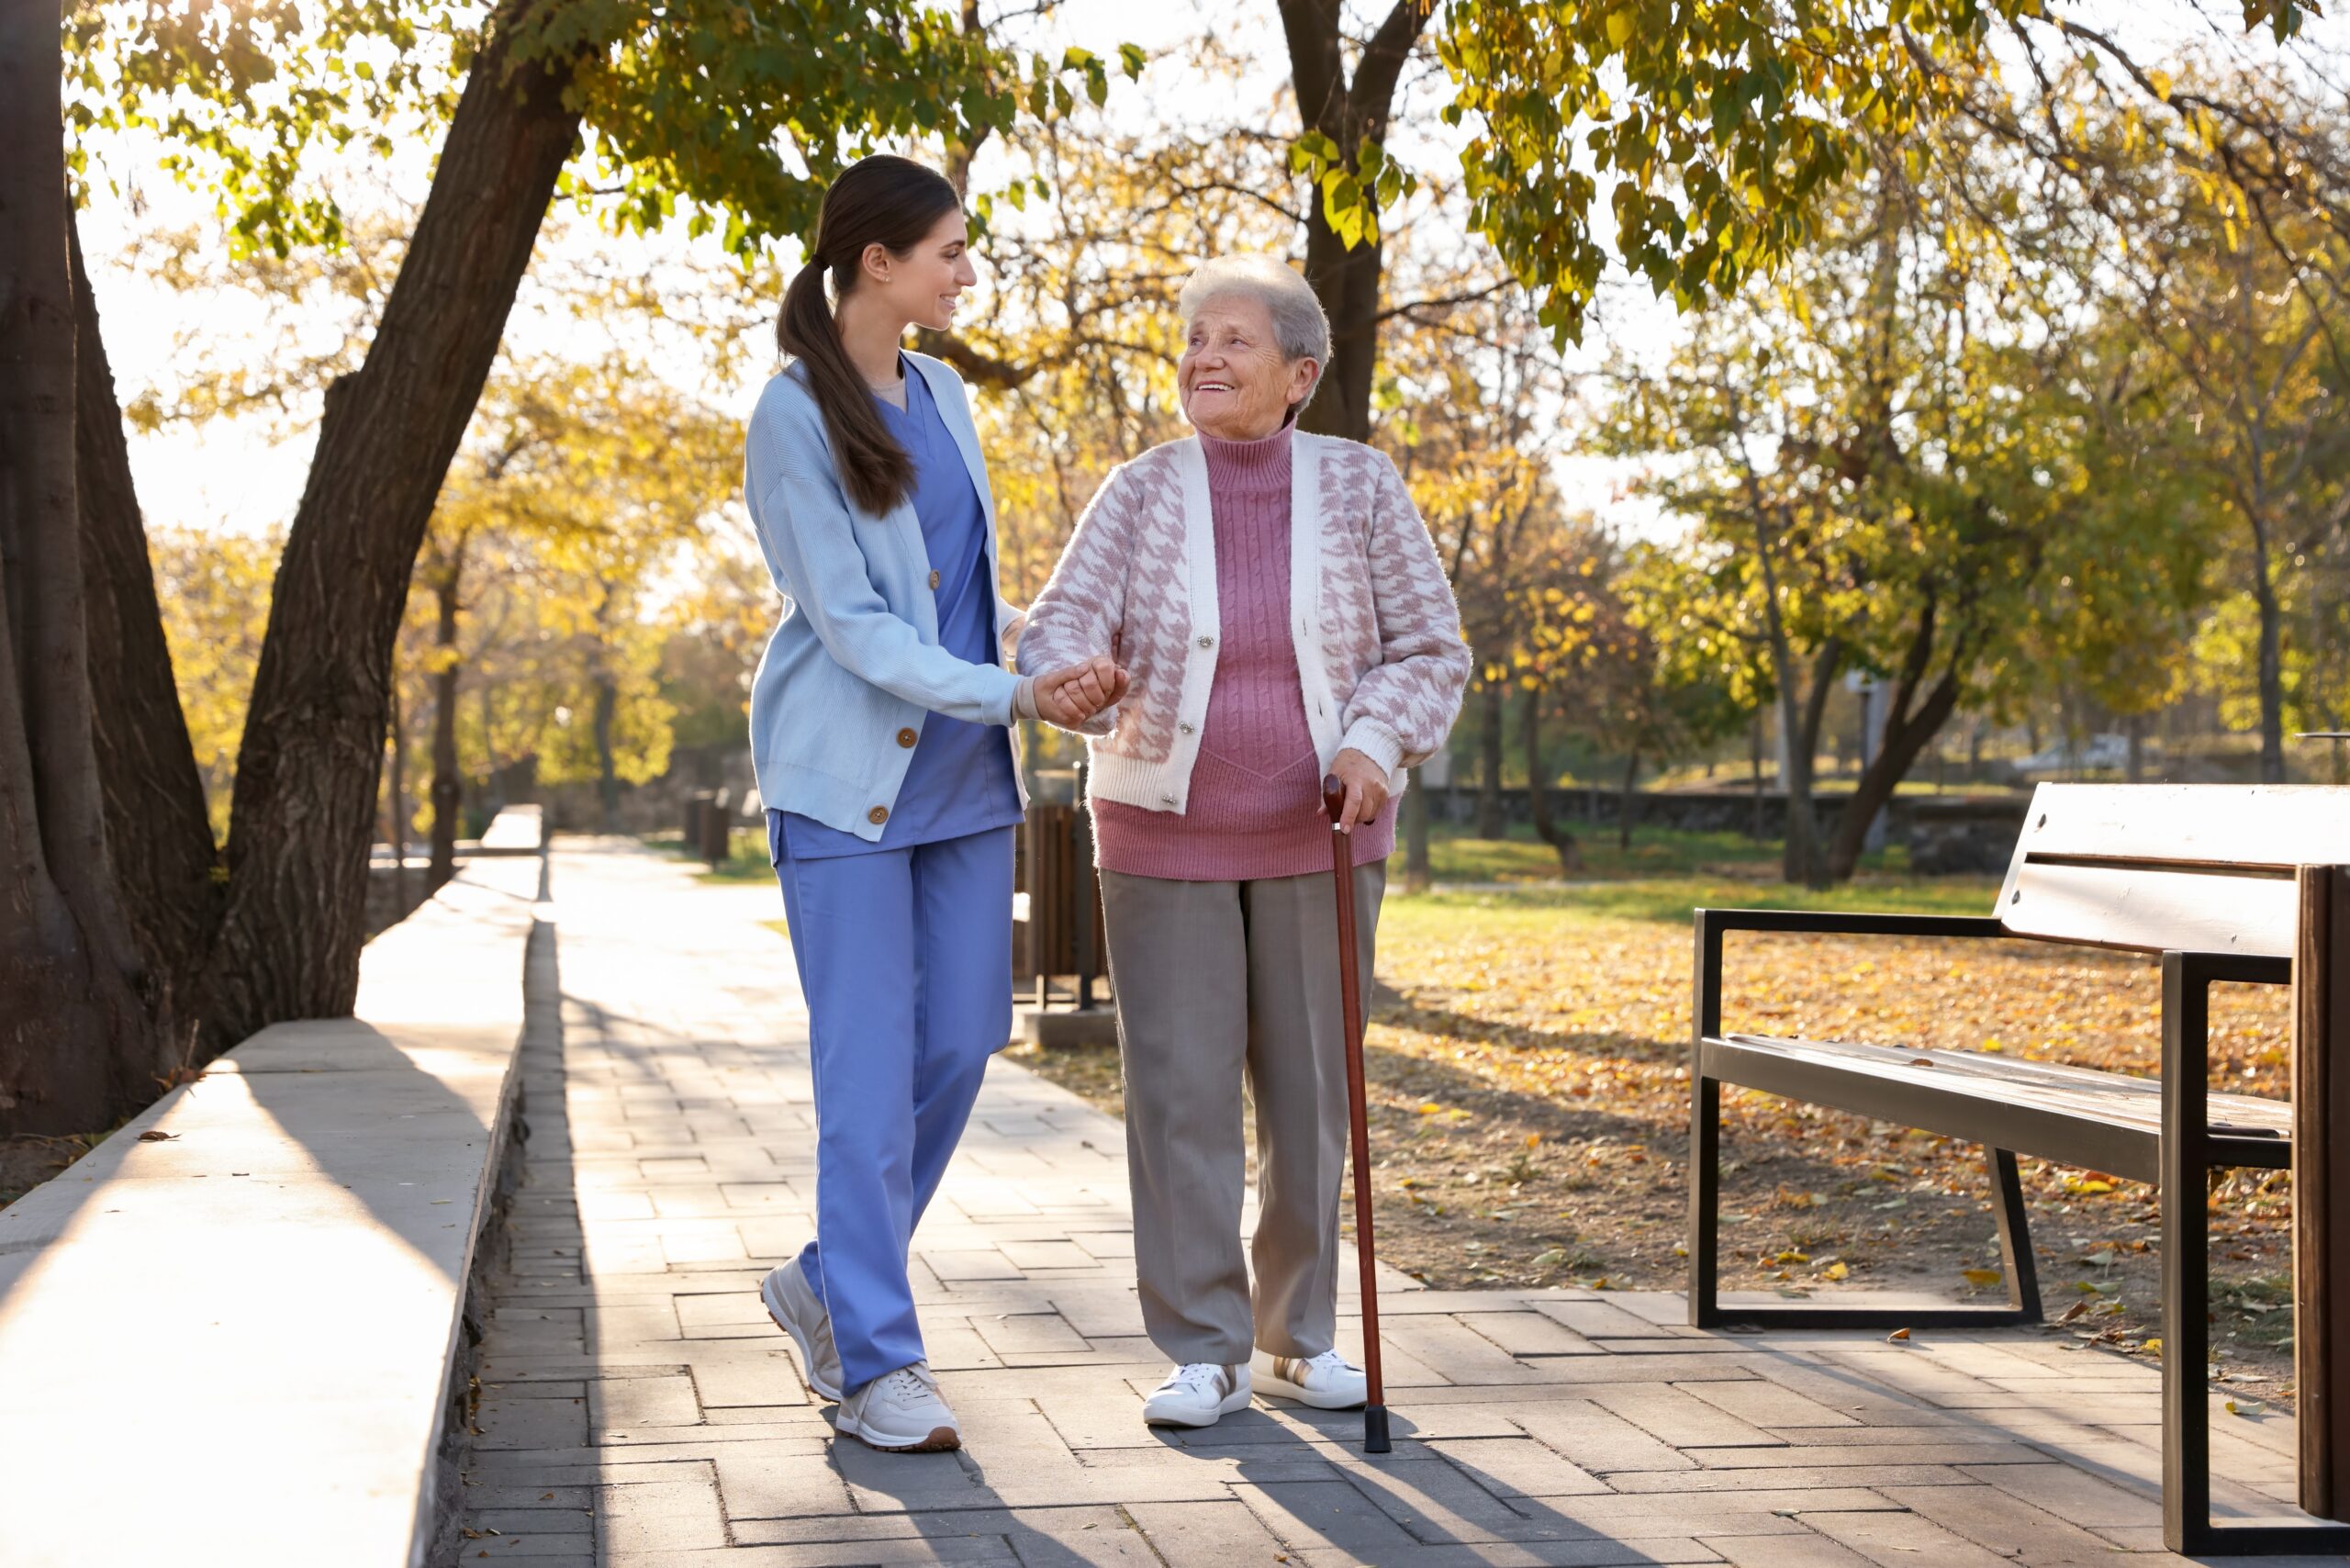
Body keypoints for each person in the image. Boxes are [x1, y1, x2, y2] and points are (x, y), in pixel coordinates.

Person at [1018, 254, 1472, 1428]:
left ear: (1298, 373)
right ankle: (1203, 1346)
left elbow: (1431, 649)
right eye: (1193, 340)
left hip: (1322, 828)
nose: (1203, 359)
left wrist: (1374, 742)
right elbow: (1060, 621)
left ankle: (1294, 1335)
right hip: (1159, 832)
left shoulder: (1362, 487)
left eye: (1233, 342)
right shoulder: (1138, 490)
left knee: (1313, 1096)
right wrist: (1070, 676)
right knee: (1178, 1092)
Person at [741, 154, 1125, 1454]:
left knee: (962, 1042)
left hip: (964, 780)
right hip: (845, 788)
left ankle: (822, 1283)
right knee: (862, 1075)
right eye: (951, 251)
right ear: (877, 264)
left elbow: (949, 594)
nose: (967, 272)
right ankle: (872, 1362)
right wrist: (1015, 695)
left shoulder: (947, 394)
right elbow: (850, 626)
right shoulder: (791, 415)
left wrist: (1036, 663)